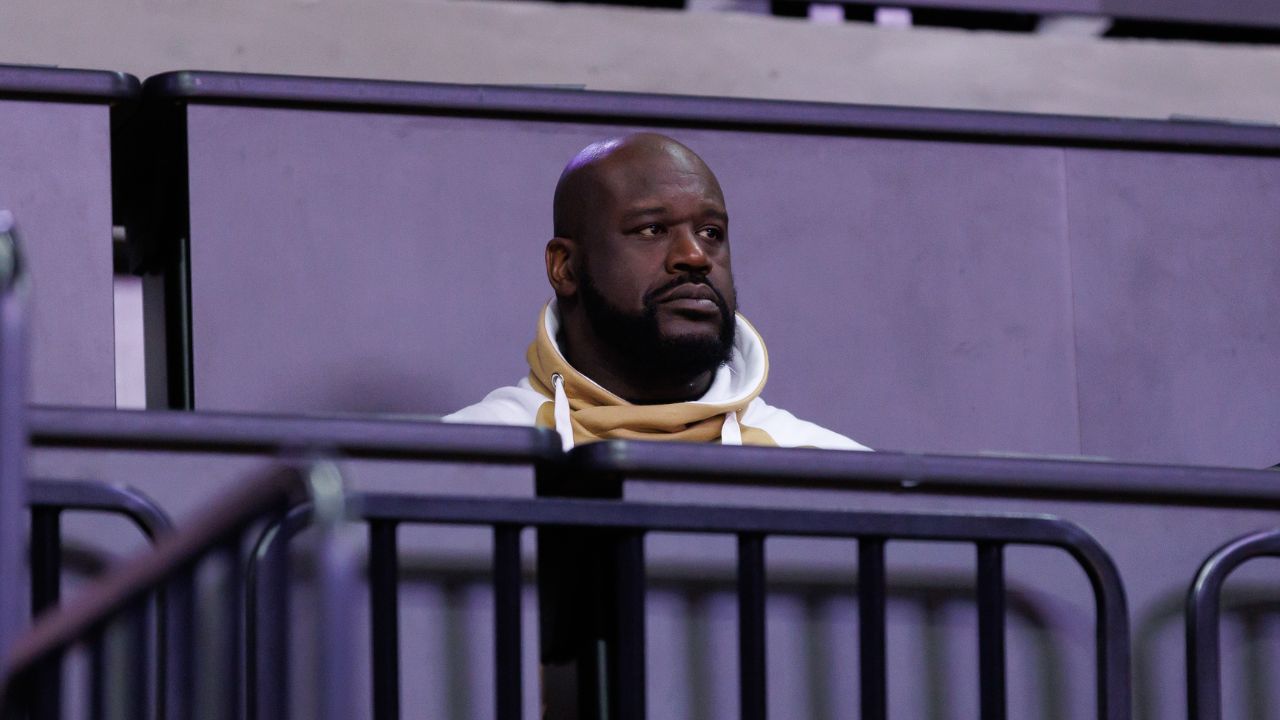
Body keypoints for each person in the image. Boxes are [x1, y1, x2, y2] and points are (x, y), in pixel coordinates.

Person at [446, 132, 869, 451]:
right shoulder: (466, 458)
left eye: (711, 232)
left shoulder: (829, 469)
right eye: (652, 229)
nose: (695, 255)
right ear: (565, 267)